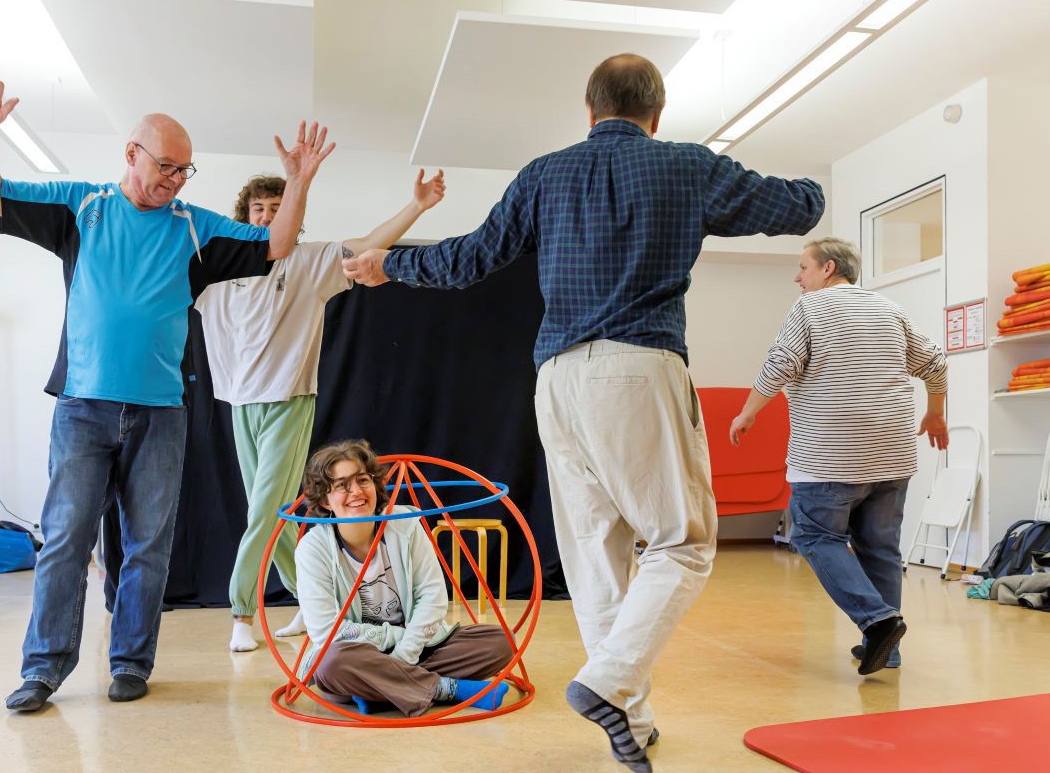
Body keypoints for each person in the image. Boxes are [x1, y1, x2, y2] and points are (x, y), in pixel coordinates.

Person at [342, 53, 824, 772]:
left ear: (589, 112)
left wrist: (392, 265)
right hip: (641, 368)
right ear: (656, 115)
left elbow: (472, 258)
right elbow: (802, 205)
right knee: (682, 544)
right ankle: (608, 682)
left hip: (558, 381)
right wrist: (813, 181)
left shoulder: (544, 173)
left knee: (598, 558)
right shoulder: (686, 164)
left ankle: (630, 716)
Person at [0, 73, 334, 712]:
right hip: (83, 407)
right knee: (67, 539)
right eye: (165, 166)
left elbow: (277, 244)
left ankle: (131, 662)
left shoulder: (195, 229)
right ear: (131, 154)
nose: (174, 179)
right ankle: (43, 669)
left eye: (185, 171)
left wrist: (297, 182)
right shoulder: (83, 205)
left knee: (148, 547)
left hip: (161, 412)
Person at [196, 169, 446, 651]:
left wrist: (416, 207)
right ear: (244, 218)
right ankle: (307, 603)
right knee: (268, 515)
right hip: (240, 402)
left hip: (289, 398)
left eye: (276, 208)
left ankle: (242, 612)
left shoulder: (305, 263)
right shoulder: (220, 271)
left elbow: (367, 245)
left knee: (266, 508)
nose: (268, 217)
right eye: (259, 210)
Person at [730, 238, 948, 674]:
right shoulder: (890, 309)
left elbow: (781, 364)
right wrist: (935, 415)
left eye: (803, 268)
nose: (798, 277)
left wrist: (748, 412)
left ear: (828, 269)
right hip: (892, 456)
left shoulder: (811, 309)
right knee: (881, 549)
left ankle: (879, 620)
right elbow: (936, 363)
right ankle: (886, 647)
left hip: (830, 457)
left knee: (814, 536)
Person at [294, 440, 514, 716]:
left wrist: (405, 653)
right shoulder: (312, 549)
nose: (356, 492)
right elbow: (326, 632)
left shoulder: (404, 522)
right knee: (331, 663)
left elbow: (432, 596)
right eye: (342, 485)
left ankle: (379, 691)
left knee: (501, 641)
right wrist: (396, 637)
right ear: (325, 500)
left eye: (363, 480)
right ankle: (448, 688)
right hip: (357, 655)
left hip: (416, 646)